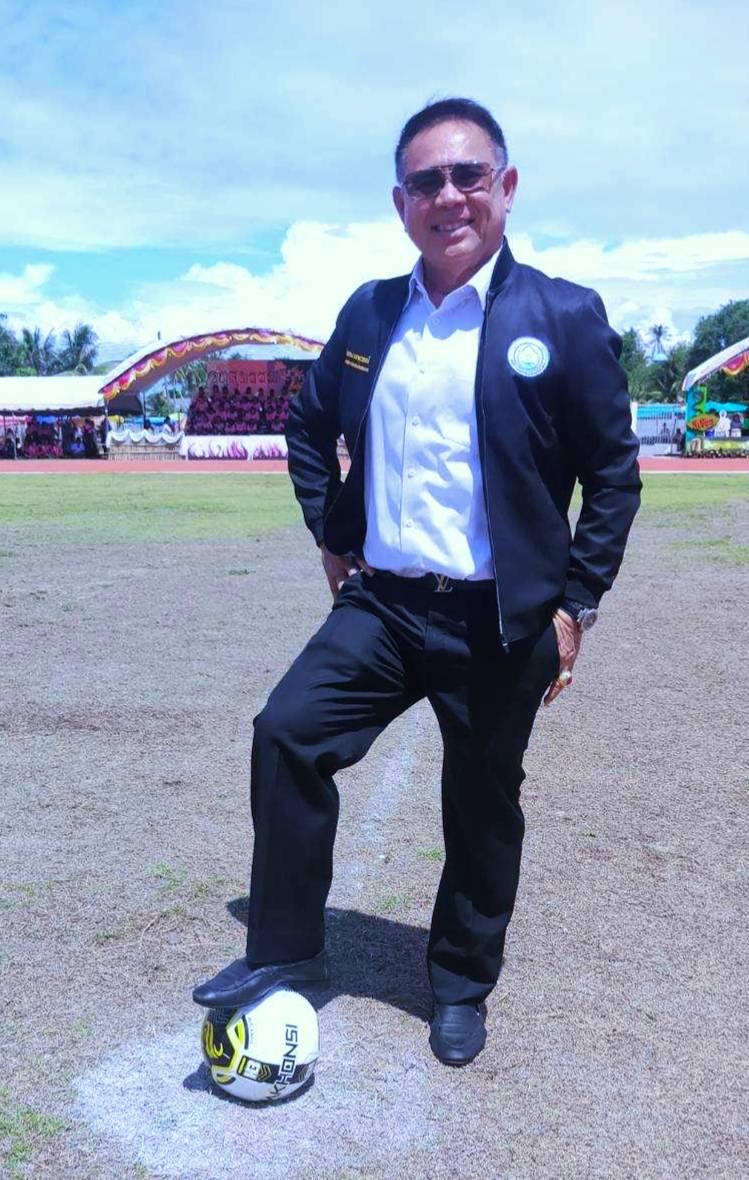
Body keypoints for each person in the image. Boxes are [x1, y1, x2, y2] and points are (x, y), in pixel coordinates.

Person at [193, 98, 641, 1066]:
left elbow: (613, 475)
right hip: (384, 604)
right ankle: (284, 950)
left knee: (480, 800)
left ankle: (461, 983)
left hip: (499, 617)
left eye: (467, 176)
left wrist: (576, 604)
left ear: (505, 188)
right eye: (424, 182)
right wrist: (331, 531)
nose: (448, 196)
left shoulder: (561, 315)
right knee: (287, 733)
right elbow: (309, 424)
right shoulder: (369, 311)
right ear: (400, 204)